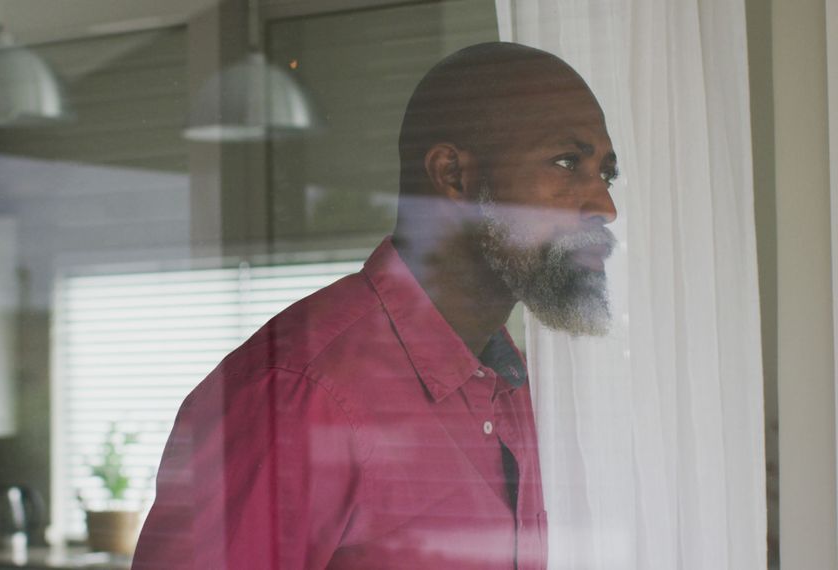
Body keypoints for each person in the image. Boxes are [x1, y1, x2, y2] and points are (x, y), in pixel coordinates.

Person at [131, 42, 618, 570]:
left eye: (606, 174)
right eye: (568, 163)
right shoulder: (296, 394)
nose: (605, 206)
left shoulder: (505, 379)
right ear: (453, 176)